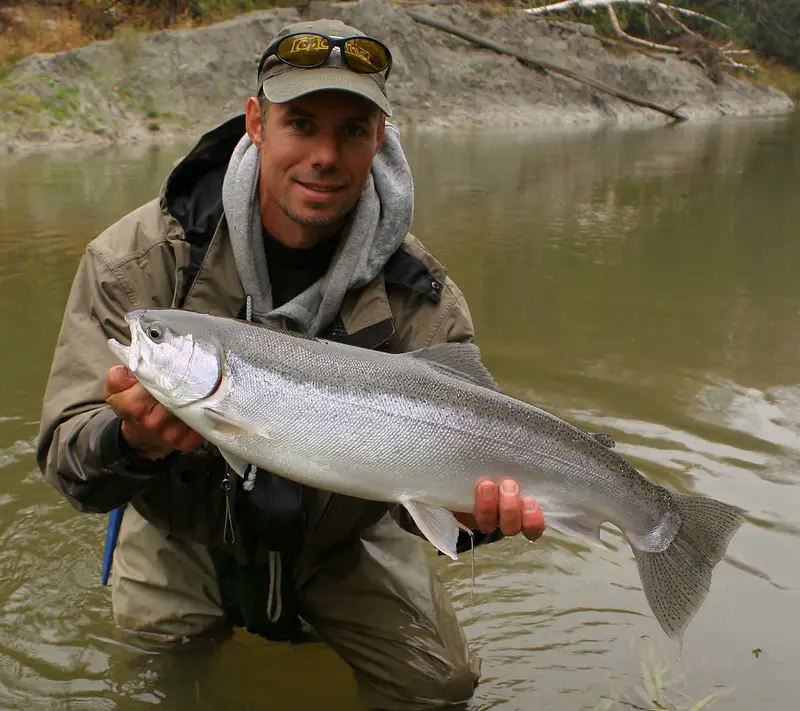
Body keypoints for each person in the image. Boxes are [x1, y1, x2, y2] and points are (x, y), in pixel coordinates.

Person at [36, 17, 545, 710]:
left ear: (381, 142)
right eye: (301, 125)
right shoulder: (139, 262)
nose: (325, 156)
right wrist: (131, 441)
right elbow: (69, 466)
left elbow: (423, 512)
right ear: (256, 123)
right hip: (180, 529)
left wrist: (475, 519)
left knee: (441, 686)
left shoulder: (422, 296)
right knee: (156, 681)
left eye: (352, 131)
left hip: (343, 540)